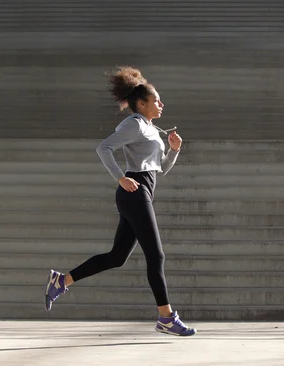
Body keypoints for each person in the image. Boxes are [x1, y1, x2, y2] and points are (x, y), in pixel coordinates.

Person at [44, 66, 196, 336]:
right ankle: (166, 317)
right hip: (134, 192)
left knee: (117, 257)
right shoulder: (134, 124)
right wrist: (120, 178)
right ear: (141, 103)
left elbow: (159, 168)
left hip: (143, 190)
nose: (162, 104)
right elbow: (103, 148)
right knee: (156, 255)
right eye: (157, 100)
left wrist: (174, 151)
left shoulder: (150, 128)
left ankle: (61, 281)